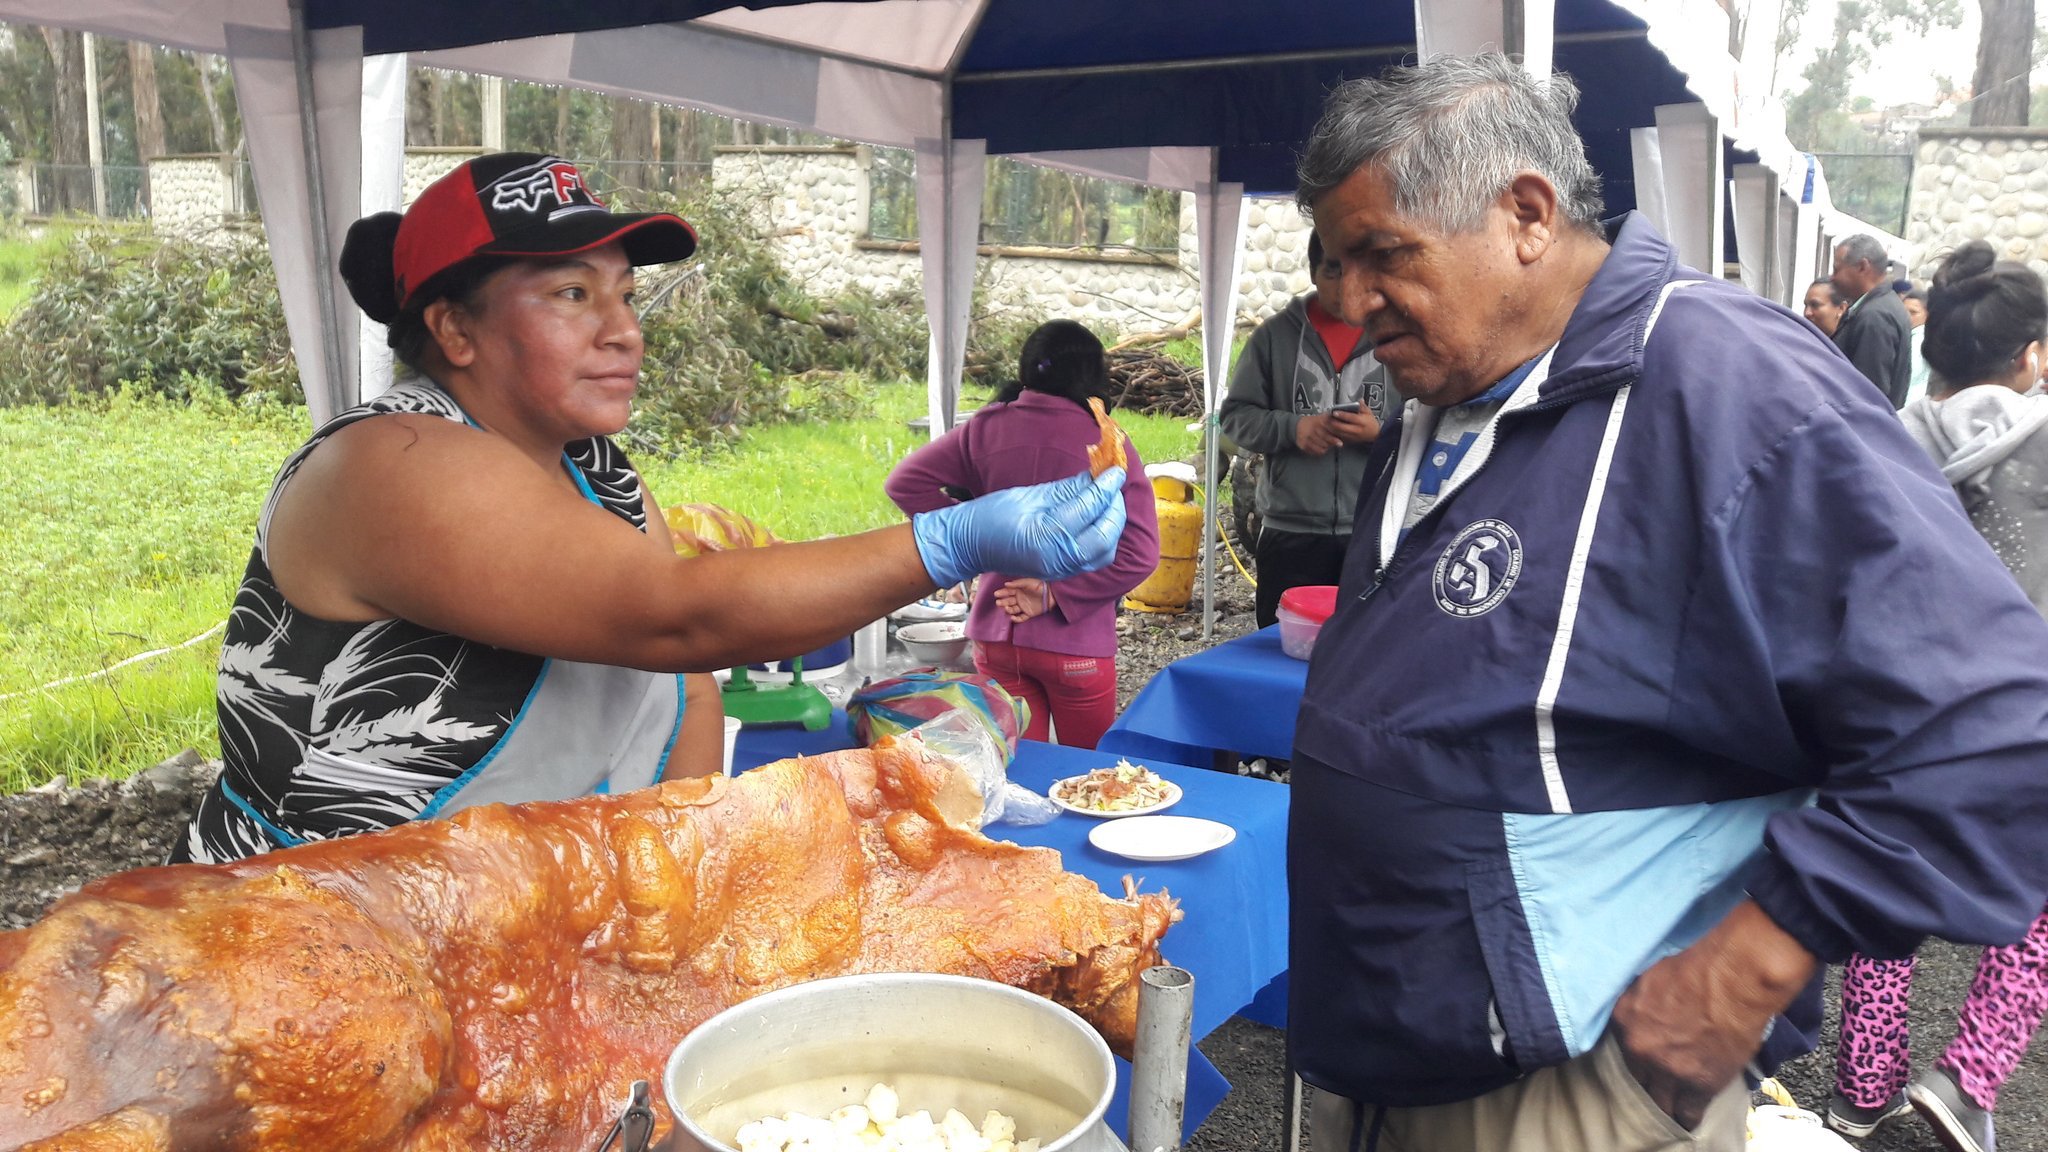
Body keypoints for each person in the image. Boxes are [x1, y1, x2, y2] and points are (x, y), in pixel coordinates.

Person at [1285, 57, 2048, 1152]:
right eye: (1333, 260)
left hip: (1568, 1087)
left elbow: (1993, 721)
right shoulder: (1452, 377)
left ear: (1526, 215)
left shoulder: (1729, 385)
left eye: (1379, 256)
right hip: (1392, 1048)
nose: (1342, 303)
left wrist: (1745, 968)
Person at [176, 153, 1129, 864]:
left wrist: (683, 869)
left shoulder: (597, 471)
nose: (623, 330)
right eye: (570, 293)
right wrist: (953, 540)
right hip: (322, 936)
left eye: (627, 294)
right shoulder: (390, 462)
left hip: (513, 917)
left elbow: (690, 678)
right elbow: (673, 612)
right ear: (454, 329)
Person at [1825, 241, 2048, 1152]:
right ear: (2031, 353)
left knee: (1891, 891)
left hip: (1903, 705)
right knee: (2034, 909)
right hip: (2028, 708)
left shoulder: (1885, 441)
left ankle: (1858, 1091)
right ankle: (1967, 1077)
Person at [884, 321, 1159, 750]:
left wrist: (975, 536)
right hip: (1076, 642)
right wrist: (1054, 594)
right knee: (1087, 776)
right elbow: (1140, 554)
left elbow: (903, 483)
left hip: (996, 631)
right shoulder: (1108, 442)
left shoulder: (985, 427)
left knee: (1016, 770)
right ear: (1093, 377)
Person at [1220, 231, 1392, 627]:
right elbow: (1235, 417)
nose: (1347, 286)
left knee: (1360, 652)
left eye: (1357, 272)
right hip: (1289, 531)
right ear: (1314, 272)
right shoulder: (1273, 338)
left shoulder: (1394, 336)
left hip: (1370, 531)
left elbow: (1426, 420)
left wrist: (1379, 434)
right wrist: (1293, 429)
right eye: (1334, 272)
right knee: (1281, 648)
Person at [1830, 233, 1915, 409]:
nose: (1832, 278)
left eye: (1837, 269)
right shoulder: (1884, 305)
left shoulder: (1875, 316)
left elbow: (1868, 395)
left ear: (1862, 266)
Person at [1902, 283, 1933, 407]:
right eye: (1904, 312)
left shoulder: (1919, 340)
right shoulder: (1907, 337)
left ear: (1927, 314)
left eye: (1913, 312)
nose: (1907, 317)